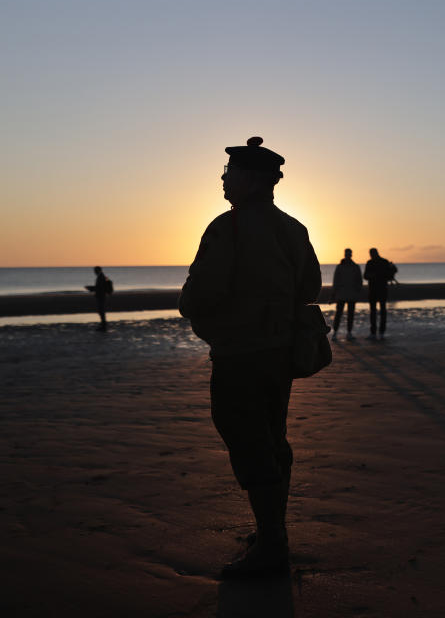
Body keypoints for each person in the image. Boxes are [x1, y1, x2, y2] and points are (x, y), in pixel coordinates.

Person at [179, 137, 321, 577]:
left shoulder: (229, 226)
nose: (223, 180)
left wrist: (215, 325)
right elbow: (310, 288)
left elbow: (198, 296)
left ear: (251, 179)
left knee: (247, 441)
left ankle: (272, 544)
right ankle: (272, 533)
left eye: (229, 173)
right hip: (280, 354)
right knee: (273, 438)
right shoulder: (294, 228)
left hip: (240, 354)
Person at [363, 247, 397, 340]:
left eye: (372, 253)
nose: (371, 255)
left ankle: (378, 333)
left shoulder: (377, 262)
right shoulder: (378, 262)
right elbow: (365, 276)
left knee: (379, 312)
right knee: (378, 312)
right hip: (377, 290)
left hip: (378, 290)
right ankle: (377, 333)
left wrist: (374, 275)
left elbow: (366, 276)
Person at [331, 248, 362, 340]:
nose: (348, 255)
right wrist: (334, 293)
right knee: (338, 314)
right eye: (346, 254)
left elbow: (359, 280)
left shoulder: (355, 266)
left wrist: (357, 290)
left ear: (351, 255)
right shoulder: (340, 266)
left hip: (352, 294)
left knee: (350, 314)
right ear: (345, 255)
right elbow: (336, 280)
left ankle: (349, 333)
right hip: (341, 294)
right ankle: (335, 332)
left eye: (349, 254)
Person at [85, 266, 111, 331]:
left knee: (101, 311)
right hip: (101, 296)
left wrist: (91, 288)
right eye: (94, 271)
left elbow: (99, 288)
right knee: (101, 311)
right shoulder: (102, 277)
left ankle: (103, 326)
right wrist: (92, 288)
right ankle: (103, 325)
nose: (94, 272)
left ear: (98, 271)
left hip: (101, 296)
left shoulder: (101, 277)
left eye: (95, 271)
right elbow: (99, 287)